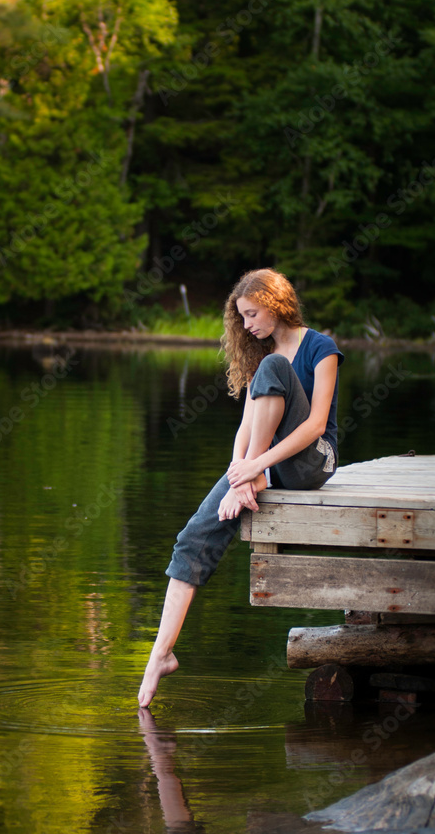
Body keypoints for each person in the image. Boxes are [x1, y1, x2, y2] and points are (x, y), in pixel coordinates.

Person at [138, 268, 344, 707]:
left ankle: (254, 476)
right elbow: (246, 429)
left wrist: (255, 468)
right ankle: (160, 654)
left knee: (273, 367)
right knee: (193, 536)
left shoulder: (320, 348)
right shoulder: (262, 359)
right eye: (243, 318)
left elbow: (316, 425)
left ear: (275, 303)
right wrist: (239, 472)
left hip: (312, 462)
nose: (247, 325)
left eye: (252, 314)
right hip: (264, 463)